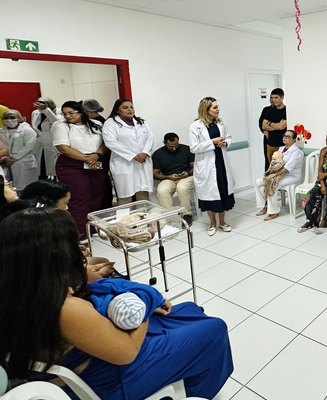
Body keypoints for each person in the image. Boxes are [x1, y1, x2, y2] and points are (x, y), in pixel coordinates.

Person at [0, 207, 233, 399]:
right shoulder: (65, 308)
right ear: (55, 254)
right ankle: (197, 392)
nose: (80, 251)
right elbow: (126, 352)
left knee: (189, 310)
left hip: (92, 355)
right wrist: (145, 305)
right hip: (106, 379)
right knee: (214, 329)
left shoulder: (21, 288)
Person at [18, 178, 116, 280]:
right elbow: (52, 266)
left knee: (101, 261)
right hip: (46, 278)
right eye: (65, 203)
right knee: (102, 272)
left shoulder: (26, 218)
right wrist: (89, 271)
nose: (67, 208)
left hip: (58, 267)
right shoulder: (44, 228)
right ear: (48, 205)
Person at [52, 100, 108, 238]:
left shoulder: (96, 124)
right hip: (72, 165)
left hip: (95, 162)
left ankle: (94, 228)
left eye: (71, 113)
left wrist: (97, 155)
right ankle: (80, 231)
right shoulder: (61, 126)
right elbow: (63, 148)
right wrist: (86, 158)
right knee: (79, 197)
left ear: (81, 112)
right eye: (65, 114)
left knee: (97, 195)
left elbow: (105, 143)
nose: (68, 116)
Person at [190, 97, 235, 236]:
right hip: (207, 164)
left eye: (217, 106)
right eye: (215, 107)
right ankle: (212, 223)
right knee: (209, 195)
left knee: (222, 191)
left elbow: (228, 137)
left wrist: (225, 143)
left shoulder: (220, 123)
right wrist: (212, 142)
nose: (218, 109)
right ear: (206, 109)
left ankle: (222, 222)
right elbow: (193, 148)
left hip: (221, 162)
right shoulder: (195, 126)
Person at [101, 99, 154, 205]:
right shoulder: (110, 123)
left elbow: (150, 138)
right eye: (125, 108)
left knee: (143, 193)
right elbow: (111, 142)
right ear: (117, 110)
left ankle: (145, 220)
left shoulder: (141, 122)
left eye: (131, 107)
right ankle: (123, 221)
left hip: (143, 161)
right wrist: (133, 155)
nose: (129, 110)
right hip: (123, 163)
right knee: (125, 196)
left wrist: (144, 152)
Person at [255, 129, 303, 220]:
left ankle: (274, 211)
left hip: (292, 176)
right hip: (279, 174)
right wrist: (269, 173)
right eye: (284, 136)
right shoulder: (281, 148)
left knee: (272, 184)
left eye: (288, 136)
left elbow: (287, 168)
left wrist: (272, 175)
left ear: (294, 140)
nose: (285, 138)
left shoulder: (296, 152)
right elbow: (275, 163)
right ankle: (265, 206)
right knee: (258, 182)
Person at [152, 133, 195, 225]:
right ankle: (171, 216)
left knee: (182, 188)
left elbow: (195, 167)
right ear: (164, 143)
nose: (174, 148)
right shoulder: (158, 154)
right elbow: (155, 174)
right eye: (171, 146)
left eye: (176, 145)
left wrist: (188, 173)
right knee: (162, 190)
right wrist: (168, 177)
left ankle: (187, 214)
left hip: (186, 177)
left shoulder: (187, 149)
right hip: (169, 178)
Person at [82, 99, 113, 208]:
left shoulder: (100, 123)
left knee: (102, 181)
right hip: (96, 156)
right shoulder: (96, 121)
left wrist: (97, 154)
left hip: (101, 156)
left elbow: (106, 142)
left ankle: (105, 204)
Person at [0, 109, 39, 192]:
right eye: (6, 118)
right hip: (6, 162)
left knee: (27, 189)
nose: (9, 120)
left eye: (12, 117)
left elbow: (29, 147)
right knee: (9, 189)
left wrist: (13, 158)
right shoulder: (1, 131)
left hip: (24, 162)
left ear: (19, 118)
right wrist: (5, 158)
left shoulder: (27, 130)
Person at [30, 96, 62, 180]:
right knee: (40, 168)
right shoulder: (35, 113)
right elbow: (35, 128)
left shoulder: (58, 112)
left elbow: (58, 124)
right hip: (39, 144)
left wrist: (46, 110)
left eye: (41, 103)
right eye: (37, 102)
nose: (38, 105)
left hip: (52, 143)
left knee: (53, 169)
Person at [258, 88, 287, 171]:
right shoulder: (270, 110)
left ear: (282, 97)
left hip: (282, 144)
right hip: (270, 144)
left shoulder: (286, 110)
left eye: (276, 97)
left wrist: (269, 123)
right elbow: (263, 125)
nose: (273, 100)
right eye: (272, 97)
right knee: (269, 168)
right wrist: (276, 125)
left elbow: (282, 127)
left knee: (280, 168)